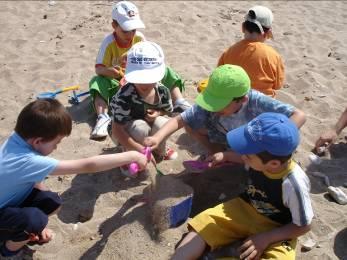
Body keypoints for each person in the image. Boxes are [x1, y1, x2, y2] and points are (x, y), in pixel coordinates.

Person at [0, 99, 148, 258]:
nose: (56, 147)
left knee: (52, 201)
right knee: (35, 219)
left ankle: (26, 232)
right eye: (56, 143)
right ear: (37, 141)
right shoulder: (29, 161)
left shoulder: (17, 139)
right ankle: (9, 251)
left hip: (8, 203)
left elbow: (31, 181)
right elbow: (88, 165)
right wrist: (131, 155)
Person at [172, 112, 313, 260]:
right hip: (243, 208)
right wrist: (225, 156)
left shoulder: (293, 183)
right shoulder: (259, 159)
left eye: (248, 155)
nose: (243, 156)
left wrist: (266, 238)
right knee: (206, 223)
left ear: (273, 164)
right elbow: (246, 157)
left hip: (277, 227)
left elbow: (304, 225)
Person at [144, 64, 306, 163]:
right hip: (224, 136)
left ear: (241, 100)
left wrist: (275, 137)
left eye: (219, 105)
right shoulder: (212, 103)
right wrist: (157, 138)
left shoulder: (256, 101)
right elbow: (180, 120)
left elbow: (299, 115)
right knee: (191, 126)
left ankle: (231, 157)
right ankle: (218, 153)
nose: (214, 108)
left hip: (253, 142)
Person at [89, 1, 190, 140]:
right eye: (125, 30)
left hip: (141, 79)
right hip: (117, 82)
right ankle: (103, 116)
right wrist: (110, 71)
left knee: (166, 70)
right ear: (114, 25)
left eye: (133, 30)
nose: (130, 34)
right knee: (97, 82)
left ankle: (179, 101)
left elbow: (147, 57)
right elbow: (99, 69)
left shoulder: (139, 38)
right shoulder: (108, 43)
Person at [110, 41, 178, 177]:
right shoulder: (124, 95)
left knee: (162, 123)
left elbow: (168, 111)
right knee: (140, 127)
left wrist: (158, 112)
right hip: (126, 131)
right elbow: (116, 129)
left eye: (149, 78)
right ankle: (128, 156)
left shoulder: (162, 91)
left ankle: (159, 150)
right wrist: (139, 149)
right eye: (139, 78)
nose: (144, 83)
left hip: (150, 130)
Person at [217, 5, 284, 97]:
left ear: (243, 28)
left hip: (235, 104)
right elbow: (277, 85)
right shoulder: (273, 55)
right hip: (263, 104)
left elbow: (219, 77)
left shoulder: (229, 51)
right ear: (267, 33)